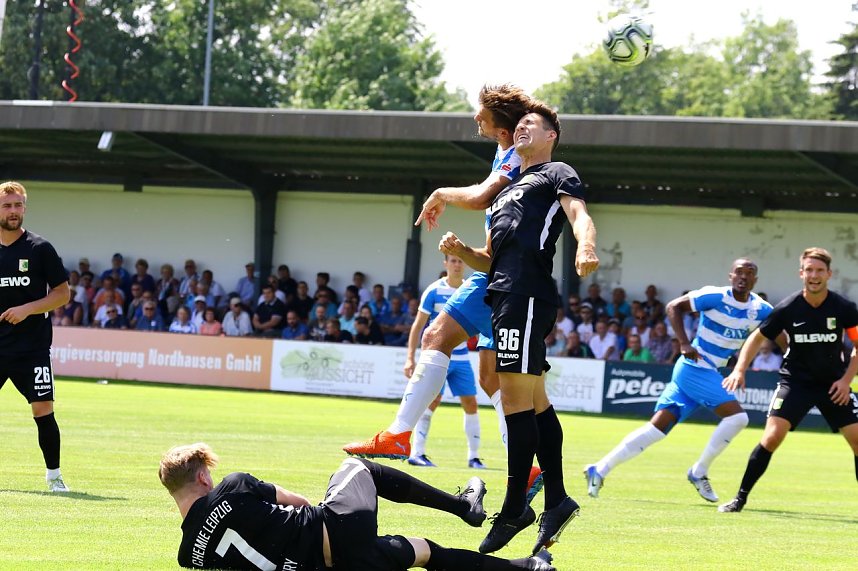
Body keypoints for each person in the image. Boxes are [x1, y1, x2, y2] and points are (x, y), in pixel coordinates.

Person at [441, 103, 599, 555]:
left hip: (527, 296)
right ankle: (557, 499)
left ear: (552, 136)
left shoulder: (556, 172)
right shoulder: (508, 189)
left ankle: (515, 507)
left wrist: (585, 248)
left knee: (514, 399)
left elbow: (579, 215)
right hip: (506, 294)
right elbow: (489, 259)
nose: (525, 127)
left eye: (535, 124)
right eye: (522, 123)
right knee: (533, 400)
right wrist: (461, 250)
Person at [159, 443, 556, 571]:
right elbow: (297, 502)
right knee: (357, 465)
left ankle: (529, 567)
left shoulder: (188, 556)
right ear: (203, 478)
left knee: (423, 551)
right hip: (337, 534)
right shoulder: (233, 487)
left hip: (334, 565)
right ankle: (464, 506)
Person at [585, 259, 772, 506]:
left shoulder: (761, 309)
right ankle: (698, 471)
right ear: (730, 275)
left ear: (755, 280)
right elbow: (674, 307)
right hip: (696, 366)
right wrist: (683, 342)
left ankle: (599, 469)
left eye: (750, 274)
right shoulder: (714, 296)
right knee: (739, 418)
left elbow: (777, 330)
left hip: (707, 370)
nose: (743, 277)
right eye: (739, 272)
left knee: (656, 429)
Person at [718, 247, 858, 513]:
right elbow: (757, 338)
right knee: (772, 437)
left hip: (833, 385)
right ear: (801, 273)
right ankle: (740, 499)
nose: (814, 276)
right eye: (809, 270)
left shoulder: (844, 308)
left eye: (819, 271)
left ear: (829, 274)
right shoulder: (788, 308)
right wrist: (739, 369)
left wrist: (846, 380)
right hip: (795, 383)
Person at [0, 181, 72, 492]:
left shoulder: (40, 249)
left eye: (18, 205)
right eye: (7, 206)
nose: (13, 211)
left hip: (32, 349)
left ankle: (54, 477)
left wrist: (28, 308)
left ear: (25, 208)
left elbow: (62, 294)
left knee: (43, 410)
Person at [404, 255, 485, 470]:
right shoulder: (433, 290)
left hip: (461, 359)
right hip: (438, 356)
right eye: (453, 261)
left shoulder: (471, 288)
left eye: (460, 261)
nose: (457, 265)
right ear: (445, 264)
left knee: (471, 403)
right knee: (431, 402)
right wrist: (410, 357)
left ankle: (474, 457)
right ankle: (417, 453)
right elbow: (418, 325)